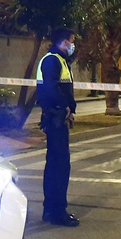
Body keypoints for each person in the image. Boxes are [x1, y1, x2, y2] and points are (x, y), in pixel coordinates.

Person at [36, 27, 80, 227]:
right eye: (71, 41)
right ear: (63, 42)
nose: (73, 45)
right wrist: (64, 108)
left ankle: (52, 209)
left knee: (57, 164)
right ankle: (56, 211)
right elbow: (51, 89)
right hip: (55, 118)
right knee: (59, 166)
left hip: (57, 118)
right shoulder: (51, 60)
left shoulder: (60, 60)